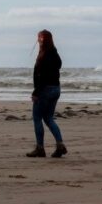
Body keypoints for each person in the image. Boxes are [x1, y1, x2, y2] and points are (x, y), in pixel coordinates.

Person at [27, 29, 67, 158]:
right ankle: (60, 145)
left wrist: (36, 92)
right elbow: (58, 66)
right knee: (49, 118)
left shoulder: (44, 55)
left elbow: (42, 77)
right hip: (56, 89)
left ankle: (40, 148)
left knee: (37, 118)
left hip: (45, 90)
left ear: (44, 39)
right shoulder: (54, 53)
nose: (38, 40)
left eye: (40, 37)